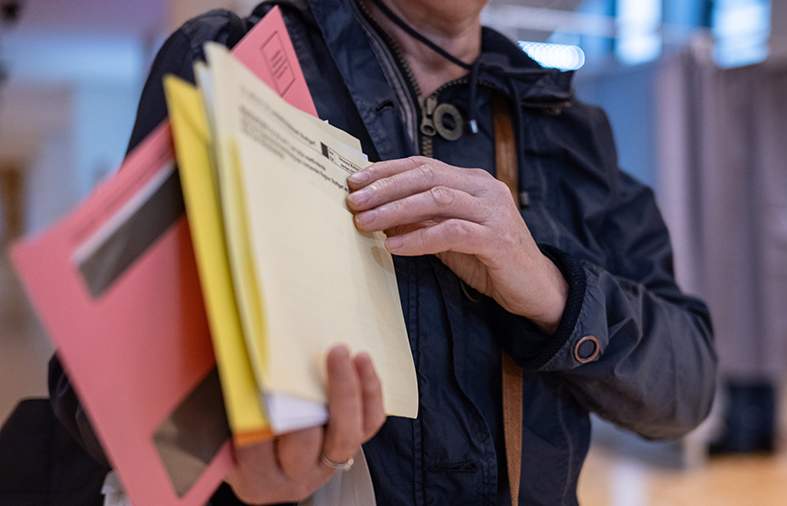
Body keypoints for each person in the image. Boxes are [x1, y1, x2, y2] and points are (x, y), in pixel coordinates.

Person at [48, 0, 718, 504]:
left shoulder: (569, 129)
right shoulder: (230, 59)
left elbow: (687, 388)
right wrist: (226, 463)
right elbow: (93, 391)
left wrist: (552, 290)